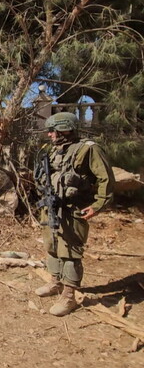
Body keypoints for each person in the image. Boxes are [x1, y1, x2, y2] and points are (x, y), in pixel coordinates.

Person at [34, 112, 114, 317]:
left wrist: (97, 205)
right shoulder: (52, 151)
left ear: (66, 128)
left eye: (53, 130)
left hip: (72, 208)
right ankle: (56, 282)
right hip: (51, 206)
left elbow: (106, 179)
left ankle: (69, 295)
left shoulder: (88, 149)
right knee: (52, 246)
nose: (50, 134)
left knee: (70, 252)